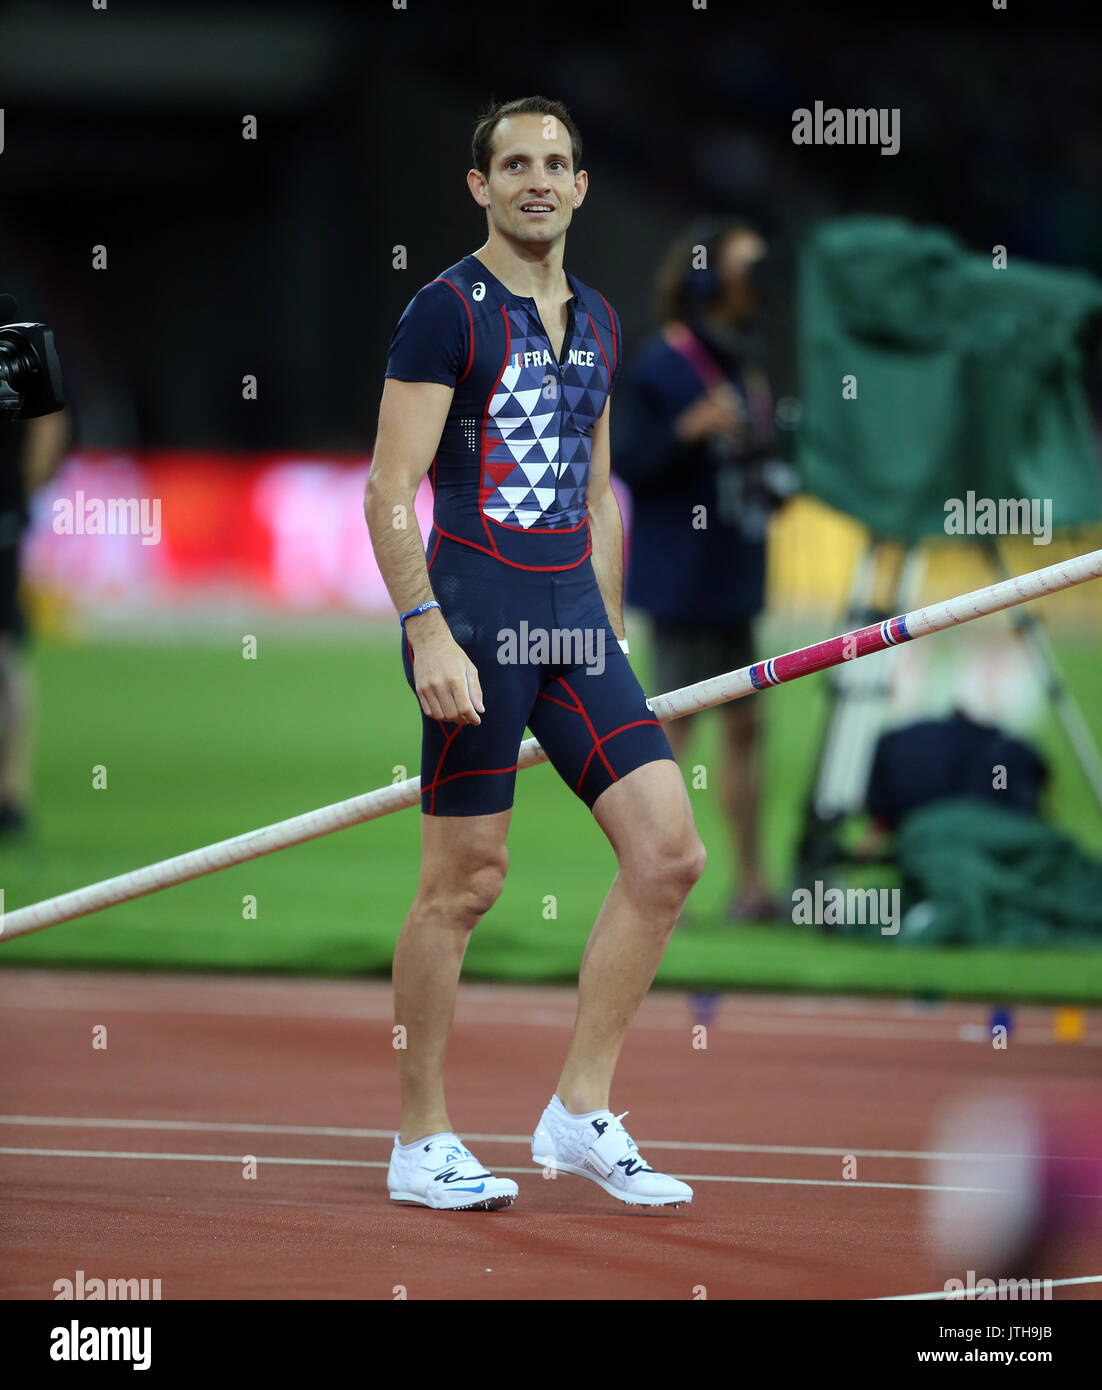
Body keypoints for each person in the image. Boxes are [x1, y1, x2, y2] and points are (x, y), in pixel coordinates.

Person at [364, 95, 705, 1212]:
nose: (537, 181)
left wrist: (608, 629)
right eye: (514, 165)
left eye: (555, 163)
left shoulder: (602, 319)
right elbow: (386, 491)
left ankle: (578, 1111)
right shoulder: (444, 312)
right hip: (474, 618)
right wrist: (425, 632)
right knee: (463, 886)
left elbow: (599, 491)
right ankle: (420, 1140)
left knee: (666, 855)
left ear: (581, 183)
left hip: (572, 624)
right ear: (480, 186)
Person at [614, 220, 786, 923]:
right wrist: (690, 428)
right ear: (707, 278)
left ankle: (751, 884)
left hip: (735, 571)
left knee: (746, 727)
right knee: (672, 732)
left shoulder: (744, 362)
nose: (759, 285)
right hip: (681, 577)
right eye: (746, 269)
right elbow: (626, 459)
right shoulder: (660, 364)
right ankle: (650, 881)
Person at [0, 278, 71, 834]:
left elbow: (50, 421)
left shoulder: (21, 336)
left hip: (1, 513)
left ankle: (12, 793)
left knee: (5, 650)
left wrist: (24, 494)